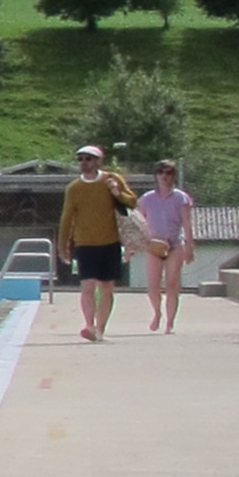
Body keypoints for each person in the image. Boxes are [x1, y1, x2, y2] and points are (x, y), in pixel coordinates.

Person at [56, 143, 137, 342]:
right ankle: (89, 325)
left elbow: (132, 201)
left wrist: (117, 193)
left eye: (89, 159)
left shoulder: (112, 179)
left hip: (110, 242)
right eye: (81, 159)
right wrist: (62, 246)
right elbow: (67, 217)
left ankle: (100, 328)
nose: (84, 163)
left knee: (107, 288)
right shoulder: (74, 188)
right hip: (84, 244)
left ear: (99, 161)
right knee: (87, 287)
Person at [135, 158, 195, 333]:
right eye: (161, 172)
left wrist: (190, 247)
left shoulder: (180, 198)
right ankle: (157, 313)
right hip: (154, 245)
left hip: (174, 244)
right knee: (153, 285)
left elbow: (187, 223)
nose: (164, 176)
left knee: (172, 284)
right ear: (156, 175)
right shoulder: (147, 198)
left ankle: (170, 322)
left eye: (168, 172)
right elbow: (139, 222)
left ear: (173, 176)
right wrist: (134, 245)